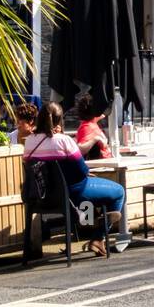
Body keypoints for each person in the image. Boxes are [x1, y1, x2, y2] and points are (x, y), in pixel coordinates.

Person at [23, 102, 124, 259]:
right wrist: (86, 173)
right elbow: (81, 170)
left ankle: (90, 220)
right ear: (59, 120)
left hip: (41, 198)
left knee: (87, 193)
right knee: (118, 191)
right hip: (72, 194)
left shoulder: (29, 141)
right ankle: (98, 235)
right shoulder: (64, 140)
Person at [73, 93, 112, 161]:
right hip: (99, 167)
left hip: (104, 163)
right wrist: (96, 139)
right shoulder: (87, 127)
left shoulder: (92, 123)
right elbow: (80, 148)